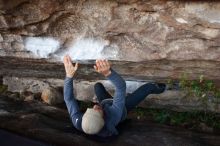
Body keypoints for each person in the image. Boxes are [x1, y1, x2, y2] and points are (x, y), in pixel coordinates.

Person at [63, 55, 165, 138]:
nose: (94, 106)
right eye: (97, 110)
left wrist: (69, 76)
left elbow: (68, 99)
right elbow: (121, 87)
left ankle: (115, 100)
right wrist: (108, 73)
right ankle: (163, 87)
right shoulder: (114, 115)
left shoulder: (78, 122)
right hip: (123, 108)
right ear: (103, 118)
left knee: (98, 86)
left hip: (106, 103)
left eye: (89, 110)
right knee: (148, 87)